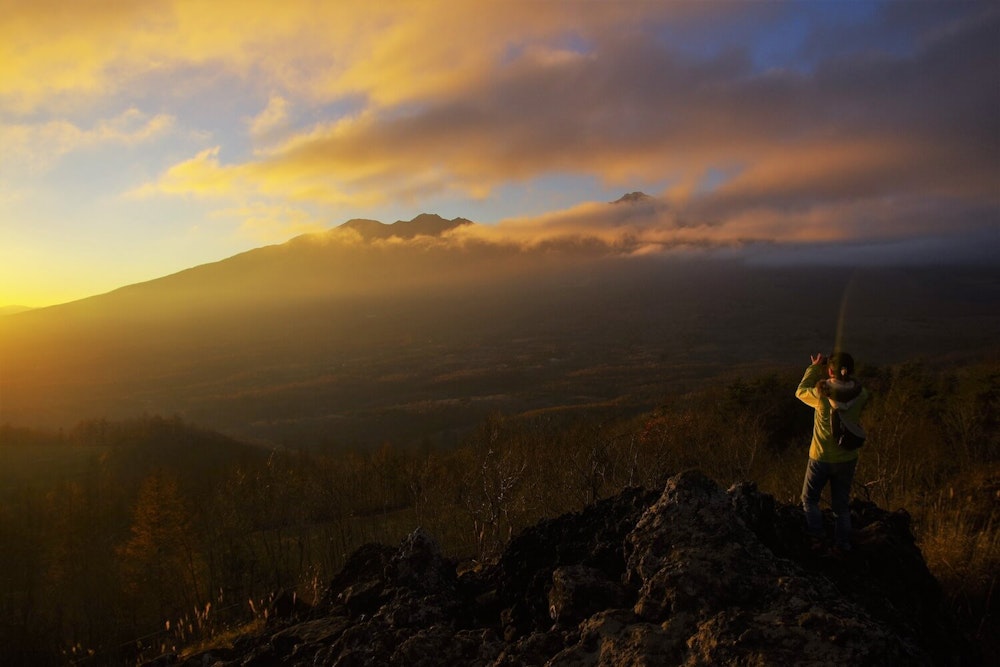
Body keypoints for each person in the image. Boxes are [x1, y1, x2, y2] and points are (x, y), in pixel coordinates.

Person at [795, 351, 868, 555]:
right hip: (847, 458)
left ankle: (817, 538)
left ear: (829, 370)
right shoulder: (861, 394)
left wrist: (813, 368)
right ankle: (842, 545)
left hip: (820, 457)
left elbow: (800, 391)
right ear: (850, 371)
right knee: (841, 506)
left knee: (809, 500)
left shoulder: (820, 395)